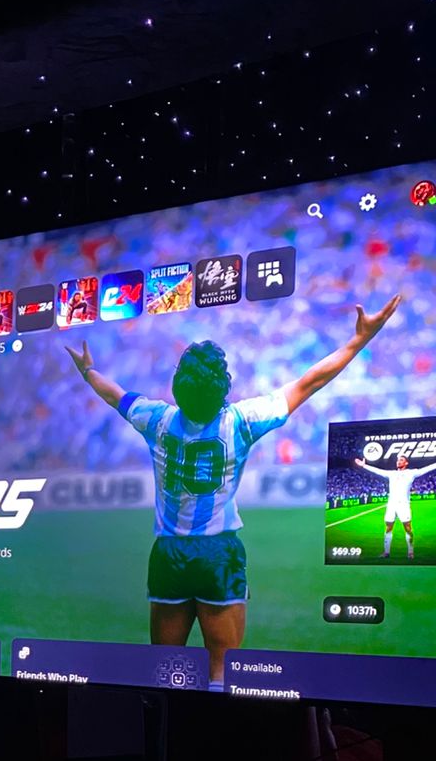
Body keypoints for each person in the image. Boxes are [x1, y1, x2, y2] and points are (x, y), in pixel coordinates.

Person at [65, 294, 402, 688]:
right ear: (222, 386)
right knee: (222, 672)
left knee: (165, 670)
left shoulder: (156, 419)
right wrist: (358, 340)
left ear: (178, 385)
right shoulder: (241, 421)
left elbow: (113, 394)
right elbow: (310, 382)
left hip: (169, 553)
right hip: (218, 553)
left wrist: (88, 371)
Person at [353, 450, 436, 560]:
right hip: (391, 505)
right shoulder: (392, 474)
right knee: (388, 528)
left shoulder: (412, 473)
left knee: (408, 528)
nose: (398, 461)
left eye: (401, 460)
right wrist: (364, 466)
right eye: (398, 460)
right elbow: (378, 471)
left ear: (406, 463)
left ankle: (410, 552)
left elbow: (427, 469)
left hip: (403, 505)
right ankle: (386, 552)